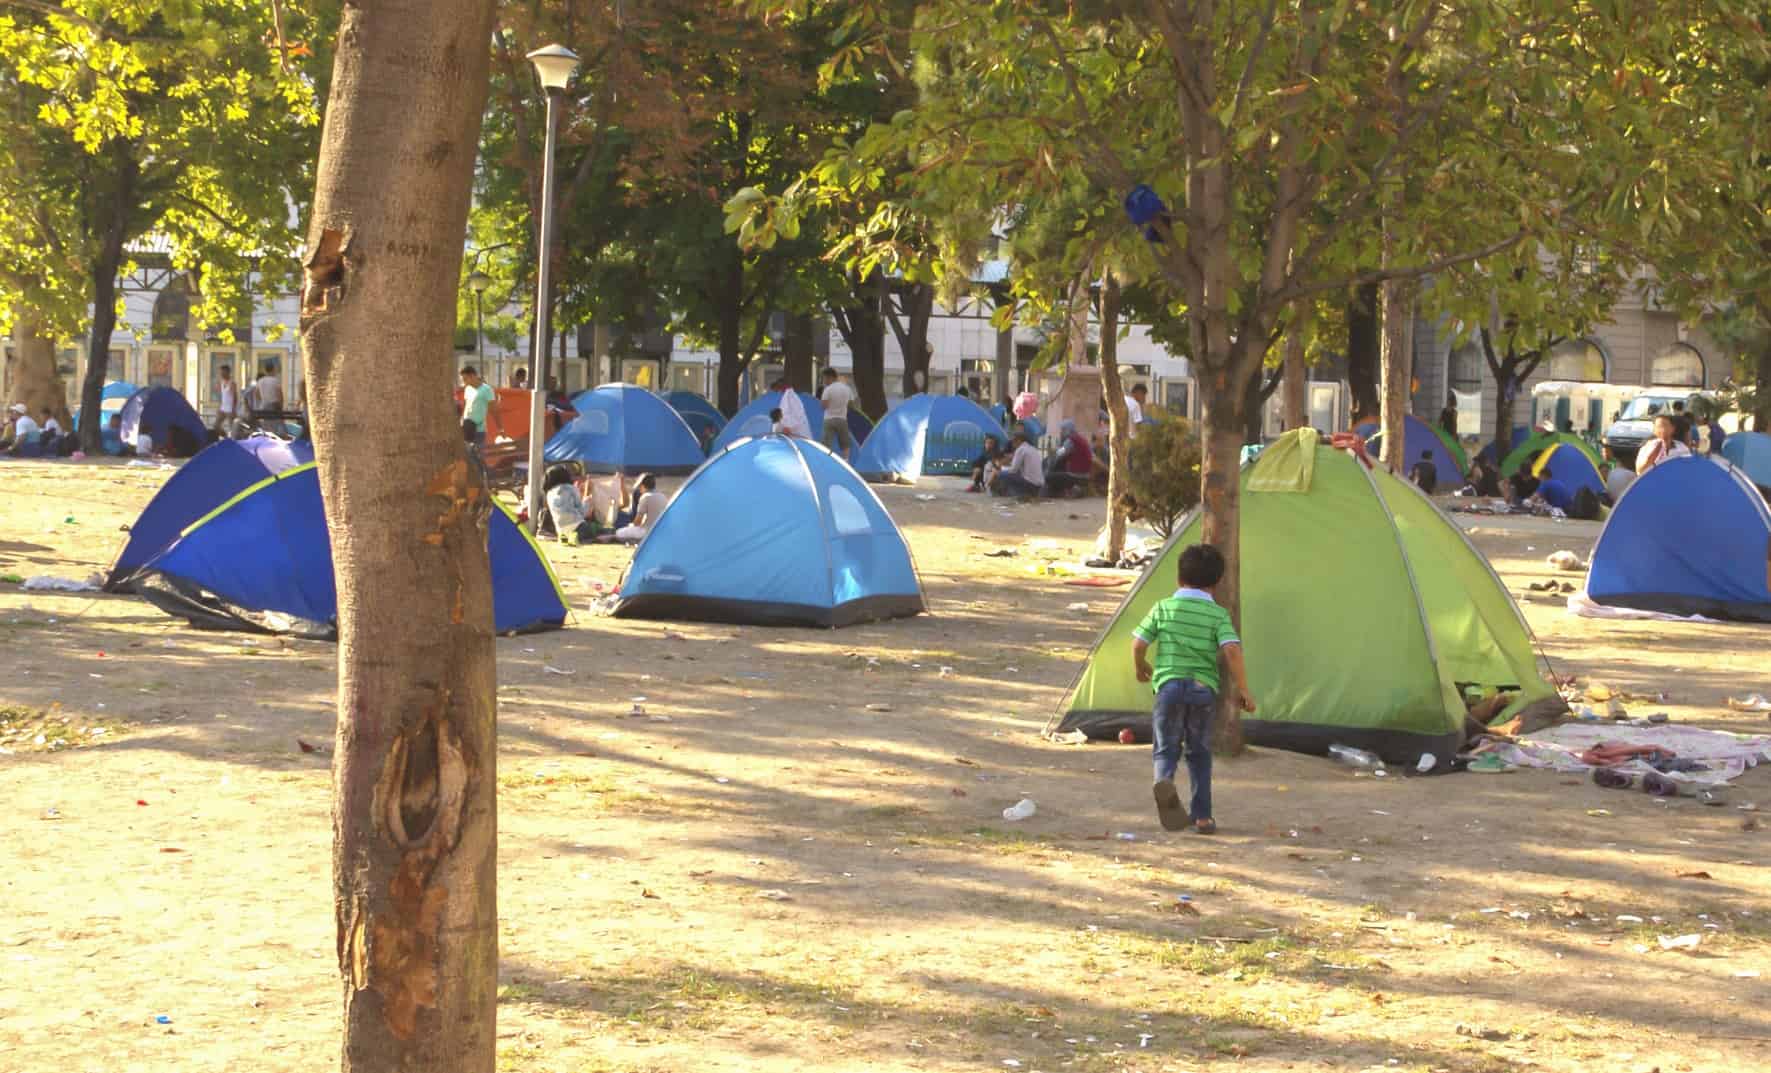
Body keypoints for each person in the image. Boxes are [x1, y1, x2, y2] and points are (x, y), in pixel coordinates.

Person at [1131, 543, 1254, 835]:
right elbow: (1232, 651)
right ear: (1217, 583)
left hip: (1169, 687)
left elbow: (1138, 643)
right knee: (1199, 752)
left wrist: (1140, 666)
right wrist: (1244, 690)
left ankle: (1165, 781)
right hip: (1202, 690)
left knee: (1165, 747)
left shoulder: (1163, 607)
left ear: (1179, 578)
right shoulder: (1218, 615)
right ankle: (1202, 817)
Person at [544, 466, 598, 545]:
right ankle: (575, 537)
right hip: (579, 528)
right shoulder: (570, 488)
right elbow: (582, 513)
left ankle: (568, 538)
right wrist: (587, 501)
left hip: (560, 530)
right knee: (598, 530)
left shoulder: (549, 494)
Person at [1044, 419, 1094, 497]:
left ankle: (1068, 490)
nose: (1061, 432)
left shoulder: (1071, 441)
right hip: (1086, 475)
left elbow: (1059, 455)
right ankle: (1072, 489)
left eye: (1063, 430)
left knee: (1048, 477)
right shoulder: (1081, 439)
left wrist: (1050, 458)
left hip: (1077, 475)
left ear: (1068, 430)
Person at [990, 430, 1045, 498]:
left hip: (1030, 484)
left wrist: (999, 471)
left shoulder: (1021, 449)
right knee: (1006, 474)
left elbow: (1013, 470)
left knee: (1001, 475)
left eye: (1013, 441)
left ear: (1019, 440)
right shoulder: (1033, 449)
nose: (1012, 444)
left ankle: (1016, 494)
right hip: (1039, 485)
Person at [615, 473, 667, 542]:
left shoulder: (645, 497)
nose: (639, 489)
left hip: (647, 532)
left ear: (642, 486)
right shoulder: (663, 496)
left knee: (619, 532)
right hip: (660, 531)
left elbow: (637, 523)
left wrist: (631, 525)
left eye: (639, 487)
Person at [819, 367, 855, 459]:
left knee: (827, 444)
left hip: (829, 420)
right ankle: (846, 462)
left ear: (829, 377)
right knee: (845, 444)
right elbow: (851, 405)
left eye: (824, 378)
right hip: (842, 419)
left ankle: (827, 461)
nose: (823, 381)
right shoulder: (847, 388)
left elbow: (823, 406)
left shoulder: (828, 389)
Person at [459, 365, 494, 454]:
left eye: (465, 379)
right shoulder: (467, 389)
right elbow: (466, 406)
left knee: (478, 457)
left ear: (472, 376)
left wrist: (501, 429)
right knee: (467, 456)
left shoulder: (487, 389)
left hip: (479, 430)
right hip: (467, 428)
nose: (464, 382)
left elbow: (493, 409)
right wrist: (462, 420)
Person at [214, 364, 240, 435]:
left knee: (232, 428)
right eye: (221, 372)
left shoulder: (232, 383)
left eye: (223, 372)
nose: (221, 374)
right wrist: (219, 407)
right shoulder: (221, 382)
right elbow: (220, 395)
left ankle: (233, 441)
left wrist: (233, 409)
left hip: (230, 409)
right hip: (223, 408)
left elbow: (235, 397)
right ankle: (225, 436)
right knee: (216, 426)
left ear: (228, 372)